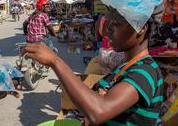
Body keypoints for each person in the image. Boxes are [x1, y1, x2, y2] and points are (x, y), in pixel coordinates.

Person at [25, 7, 164, 125]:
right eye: (109, 21)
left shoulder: (145, 72)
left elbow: (99, 111)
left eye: (116, 23)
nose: (108, 29)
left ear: (141, 28)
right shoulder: (126, 66)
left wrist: (55, 61)